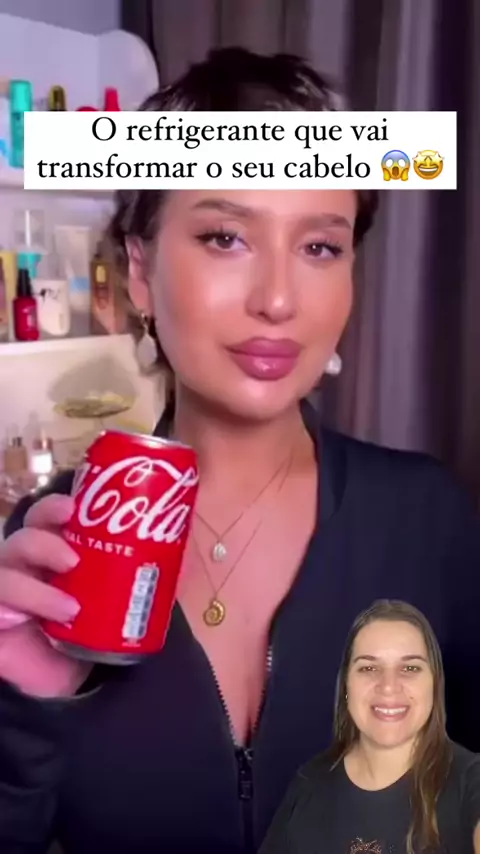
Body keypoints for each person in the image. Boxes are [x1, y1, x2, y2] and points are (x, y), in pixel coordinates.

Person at [0, 47, 479, 854]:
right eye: (225, 237)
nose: (279, 299)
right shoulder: (54, 541)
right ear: (140, 272)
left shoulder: (428, 519)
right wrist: (20, 714)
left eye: (320, 247)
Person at [260, 600, 480, 854]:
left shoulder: (471, 781)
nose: (388, 686)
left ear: (434, 684)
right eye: (368, 668)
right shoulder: (308, 785)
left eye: (410, 668)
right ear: (346, 686)